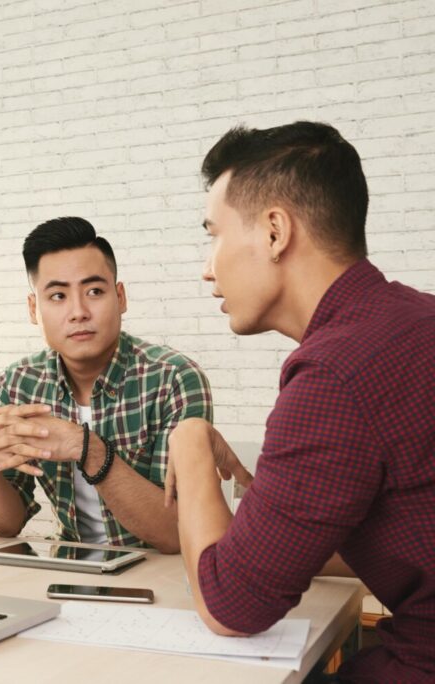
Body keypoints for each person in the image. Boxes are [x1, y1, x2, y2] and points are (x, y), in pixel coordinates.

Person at [166, 121, 435, 682]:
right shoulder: (412, 319)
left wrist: (189, 439)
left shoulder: (337, 373)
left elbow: (231, 606)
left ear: (273, 232)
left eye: (213, 234)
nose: (208, 268)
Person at [0, 218, 212, 551]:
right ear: (33, 309)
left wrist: (87, 448)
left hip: (161, 571)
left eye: (95, 291)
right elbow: (7, 524)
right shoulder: (18, 383)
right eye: (57, 296)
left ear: (121, 296)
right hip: (70, 568)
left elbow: (177, 534)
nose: (79, 312)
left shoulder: (173, 378)